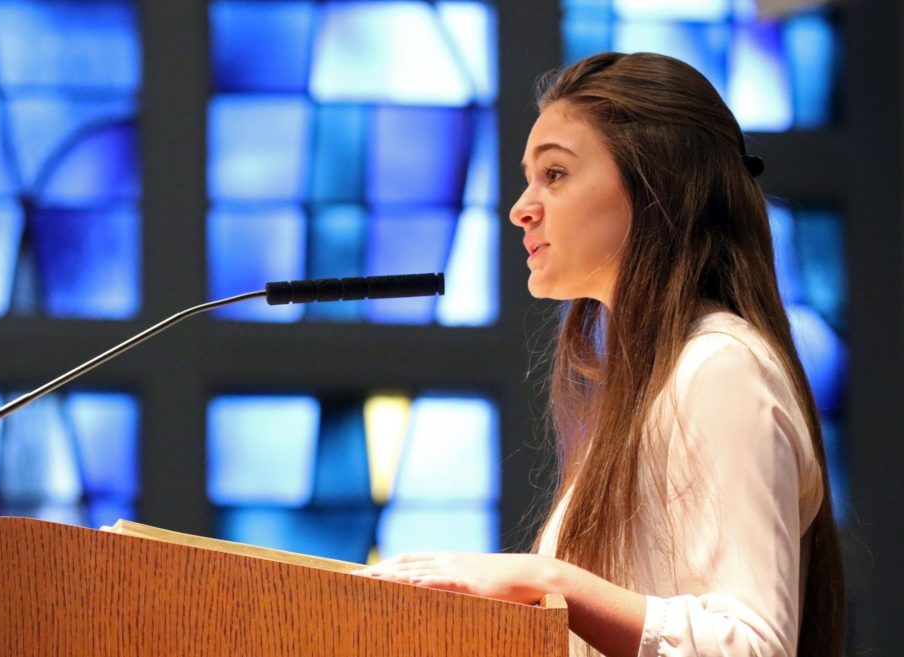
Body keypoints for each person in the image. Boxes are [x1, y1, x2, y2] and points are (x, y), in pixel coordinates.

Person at [351, 52, 845, 657]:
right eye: (529, 178)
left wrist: (547, 580)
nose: (520, 208)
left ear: (655, 185)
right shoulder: (651, 382)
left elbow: (754, 645)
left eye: (554, 174)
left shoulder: (721, 368)